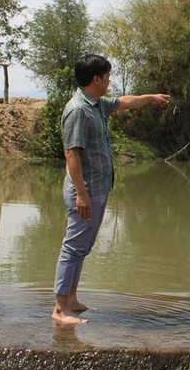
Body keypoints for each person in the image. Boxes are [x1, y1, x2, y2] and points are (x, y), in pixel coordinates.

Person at [52, 54, 170, 324]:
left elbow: (125, 102)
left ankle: (71, 298)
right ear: (96, 79)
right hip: (86, 190)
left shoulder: (96, 105)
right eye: (107, 76)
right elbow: (71, 154)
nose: (109, 80)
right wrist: (81, 194)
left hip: (98, 187)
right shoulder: (78, 109)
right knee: (72, 247)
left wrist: (151, 98)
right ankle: (60, 309)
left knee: (82, 247)